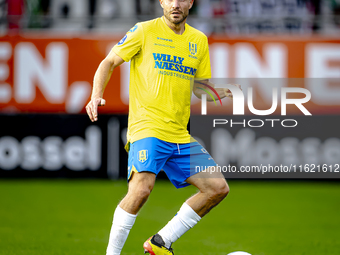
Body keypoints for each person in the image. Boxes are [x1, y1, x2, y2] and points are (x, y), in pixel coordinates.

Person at [86, 0, 239, 254]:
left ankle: (161, 242)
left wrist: (230, 92)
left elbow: (200, 88)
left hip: (179, 134)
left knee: (217, 188)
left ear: (191, 2)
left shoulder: (199, 40)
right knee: (141, 189)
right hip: (148, 127)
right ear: (161, 2)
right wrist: (95, 94)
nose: (175, 4)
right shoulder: (144, 31)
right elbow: (109, 62)